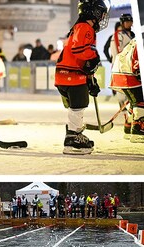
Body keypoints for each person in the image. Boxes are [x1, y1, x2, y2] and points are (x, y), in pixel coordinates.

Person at [54, 0, 109, 155]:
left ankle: (75, 133)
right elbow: (79, 50)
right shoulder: (85, 27)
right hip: (72, 76)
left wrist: (90, 79)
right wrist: (94, 57)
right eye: (101, 13)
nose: (102, 17)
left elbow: (82, 61)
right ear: (93, 12)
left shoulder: (79, 27)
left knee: (78, 106)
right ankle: (72, 139)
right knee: (78, 106)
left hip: (67, 76)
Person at [110, 38, 144, 142]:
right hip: (128, 75)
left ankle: (129, 126)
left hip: (120, 74)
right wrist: (139, 72)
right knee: (141, 101)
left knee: (134, 101)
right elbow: (136, 60)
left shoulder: (135, 40)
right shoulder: (140, 41)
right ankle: (138, 130)